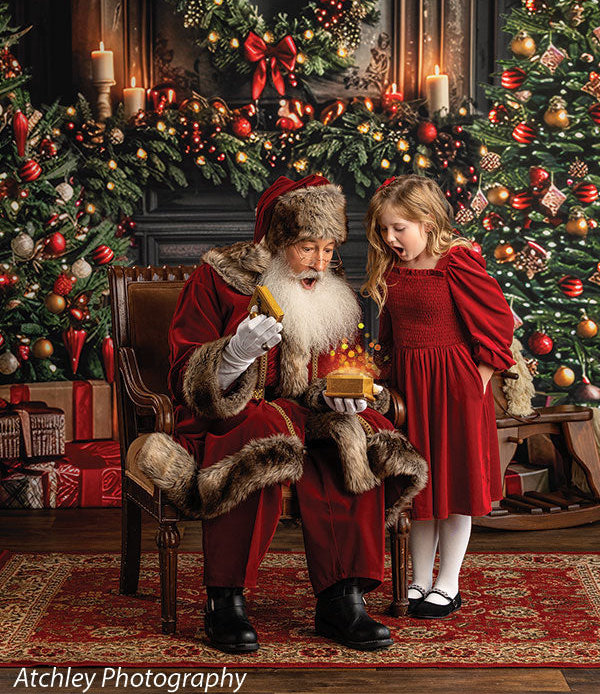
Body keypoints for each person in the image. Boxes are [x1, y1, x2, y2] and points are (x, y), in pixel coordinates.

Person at [137, 175, 427, 653]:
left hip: (305, 414)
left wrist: (344, 396)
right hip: (231, 414)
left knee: (351, 435)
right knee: (262, 434)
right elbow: (182, 376)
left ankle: (342, 597)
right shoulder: (219, 279)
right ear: (277, 242)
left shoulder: (331, 295)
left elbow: (341, 366)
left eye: (329, 249)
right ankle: (225, 600)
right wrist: (232, 355)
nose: (319, 263)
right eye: (307, 248)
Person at [362, 175, 514, 619]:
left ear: (427, 222)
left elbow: (501, 322)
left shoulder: (456, 262)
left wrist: (478, 379)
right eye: (384, 230)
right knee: (418, 486)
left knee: (454, 481)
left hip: (454, 387)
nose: (390, 238)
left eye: (398, 228)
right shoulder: (392, 269)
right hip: (408, 389)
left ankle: (449, 583)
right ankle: (419, 579)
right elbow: (387, 334)